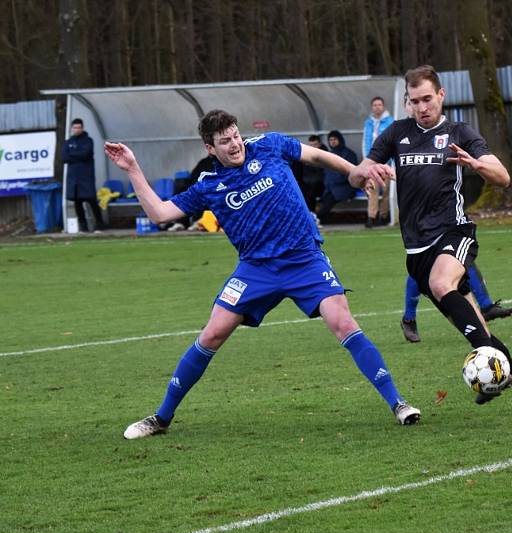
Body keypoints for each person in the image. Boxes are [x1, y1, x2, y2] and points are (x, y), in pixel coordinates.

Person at [105, 109, 420, 440]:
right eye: (224, 141)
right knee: (212, 334)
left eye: (235, 135)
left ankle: (398, 403)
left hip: (304, 259)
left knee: (343, 323)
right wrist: (133, 169)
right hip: (256, 269)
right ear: (210, 148)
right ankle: (161, 418)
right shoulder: (209, 186)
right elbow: (159, 213)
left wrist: (355, 171)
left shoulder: (269, 145)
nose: (234, 144)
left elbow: (316, 155)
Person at [350, 65, 512, 409]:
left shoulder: (458, 132)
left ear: (441, 95)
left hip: (454, 232)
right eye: (414, 101)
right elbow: (355, 175)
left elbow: (503, 176)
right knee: (478, 334)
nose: (422, 107)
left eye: (427, 99)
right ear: (407, 102)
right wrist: (366, 172)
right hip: (416, 250)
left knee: (440, 283)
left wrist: (476, 164)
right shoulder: (395, 133)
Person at [401, 265, 512, 343]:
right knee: (418, 270)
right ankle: (408, 320)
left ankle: (487, 307)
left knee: (463, 261)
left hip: (440, 234)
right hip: (420, 239)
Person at [62, 118, 107, 232]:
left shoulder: (88, 141)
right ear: (71, 129)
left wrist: (73, 155)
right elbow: (64, 157)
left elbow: (86, 154)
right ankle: (83, 226)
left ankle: (99, 224)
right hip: (73, 178)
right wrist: (76, 155)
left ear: (82, 128)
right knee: (77, 202)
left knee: (92, 201)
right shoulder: (68, 142)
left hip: (86, 176)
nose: (77, 129)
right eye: (75, 127)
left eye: (79, 127)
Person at [362, 97, 394, 227]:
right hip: (372, 162)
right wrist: (366, 160)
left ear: (384, 106)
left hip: (386, 162)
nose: (377, 107)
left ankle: (384, 215)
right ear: (372, 107)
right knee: (372, 189)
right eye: (374, 105)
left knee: (386, 191)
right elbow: (365, 141)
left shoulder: (391, 121)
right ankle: (371, 217)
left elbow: (393, 142)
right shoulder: (368, 122)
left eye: (379, 104)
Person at [317, 130, 358, 224]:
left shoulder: (348, 154)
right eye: (330, 140)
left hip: (345, 187)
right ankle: (318, 218)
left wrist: (337, 182)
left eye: (335, 139)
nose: (332, 142)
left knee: (328, 200)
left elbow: (352, 173)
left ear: (340, 140)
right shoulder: (328, 154)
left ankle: (318, 218)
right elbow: (326, 173)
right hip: (330, 188)